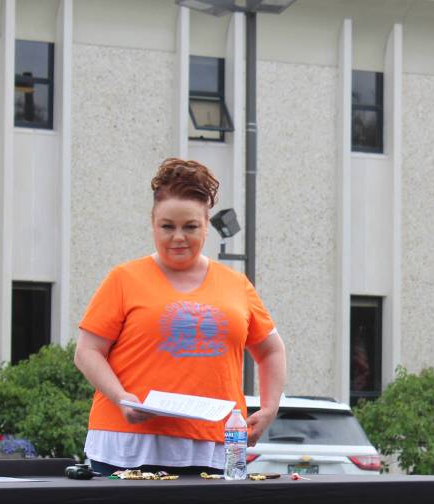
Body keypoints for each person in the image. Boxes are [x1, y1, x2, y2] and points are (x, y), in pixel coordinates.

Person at [74, 158, 286, 475]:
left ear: (206, 225)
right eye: (167, 226)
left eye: (190, 227)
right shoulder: (123, 279)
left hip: (219, 444)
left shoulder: (236, 285)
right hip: (127, 442)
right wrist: (122, 399)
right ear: (152, 223)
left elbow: (270, 349)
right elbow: (87, 351)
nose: (178, 237)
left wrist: (269, 409)